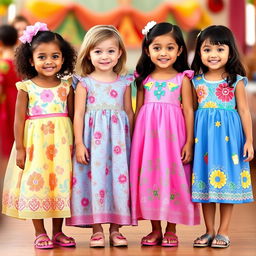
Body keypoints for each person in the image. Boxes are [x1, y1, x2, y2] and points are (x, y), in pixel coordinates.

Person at [2, 22, 77, 249]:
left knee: (59, 186)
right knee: (37, 185)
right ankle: (39, 231)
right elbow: (18, 120)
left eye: (55, 56)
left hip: (62, 145)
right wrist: (21, 149)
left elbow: (73, 117)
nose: (49, 61)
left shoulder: (67, 86)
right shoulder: (26, 87)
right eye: (42, 57)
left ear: (63, 59)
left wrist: (77, 144)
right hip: (35, 146)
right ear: (31, 60)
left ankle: (58, 232)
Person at [130, 21, 200, 247]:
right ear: (147, 49)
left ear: (179, 50)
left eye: (170, 47)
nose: (163, 53)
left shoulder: (184, 78)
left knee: (173, 178)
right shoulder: (144, 79)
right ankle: (155, 229)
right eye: (157, 47)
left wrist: (189, 142)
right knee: (151, 179)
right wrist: (133, 140)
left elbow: (189, 110)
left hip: (174, 136)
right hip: (147, 137)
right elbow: (138, 109)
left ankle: (171, 228)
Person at [66, 25, 134, 248]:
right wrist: (78, 143)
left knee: (118, 181)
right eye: (98, 51)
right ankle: (96, 228)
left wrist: (133, 142)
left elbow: (129, 112)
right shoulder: (84, 83)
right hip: (93, 144)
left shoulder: (124, 82)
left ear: (119, 53)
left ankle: (116, 228)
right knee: (95, 181)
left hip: (119, 144)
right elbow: (78, 115)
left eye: (110, 51)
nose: (104, 56)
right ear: (88, 54)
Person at [191, 25, 254, 248]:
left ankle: (224, 230)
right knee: (206, 184)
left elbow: (244, 111)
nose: (213, 55)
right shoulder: (195, 82)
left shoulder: (235, 80)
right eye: (207, 49)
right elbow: (189, 111)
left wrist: (249, 140)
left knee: (228, 184)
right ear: (199, 52)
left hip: (230, 141)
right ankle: (208, 231)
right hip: (204, 142)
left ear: (230, 52)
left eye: (219, 49)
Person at [0, 25, 20, 158]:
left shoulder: (2, 64)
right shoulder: (20, 62)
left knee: (4, 143)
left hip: (5, 105)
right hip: (20, 101)